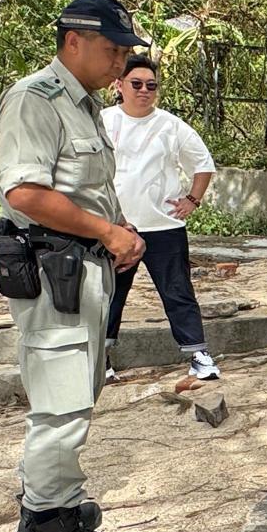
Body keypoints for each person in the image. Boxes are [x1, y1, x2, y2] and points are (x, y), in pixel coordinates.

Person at [0, 0, 149, 532]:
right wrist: (106, 232)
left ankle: (43, 517)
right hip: (55, 274)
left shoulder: (82, 107)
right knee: (61, 407)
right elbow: (25, 194)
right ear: (73, 41)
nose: (120, 62)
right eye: (112, 49)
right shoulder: (36, 99)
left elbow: (82, 191)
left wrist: (113, 233)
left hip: (81, 272)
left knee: (75, 392)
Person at [102, 54, 221, 382]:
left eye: (151, 85)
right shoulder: (102, 121)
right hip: (115, 227)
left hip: (164, 226)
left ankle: (198, 354)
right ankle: (101, 359)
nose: (144, 91)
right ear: (119, 85)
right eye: (136, 84)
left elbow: (203, 164)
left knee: (178, 291)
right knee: (109, 294)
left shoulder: (171, 125)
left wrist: (192, 200)